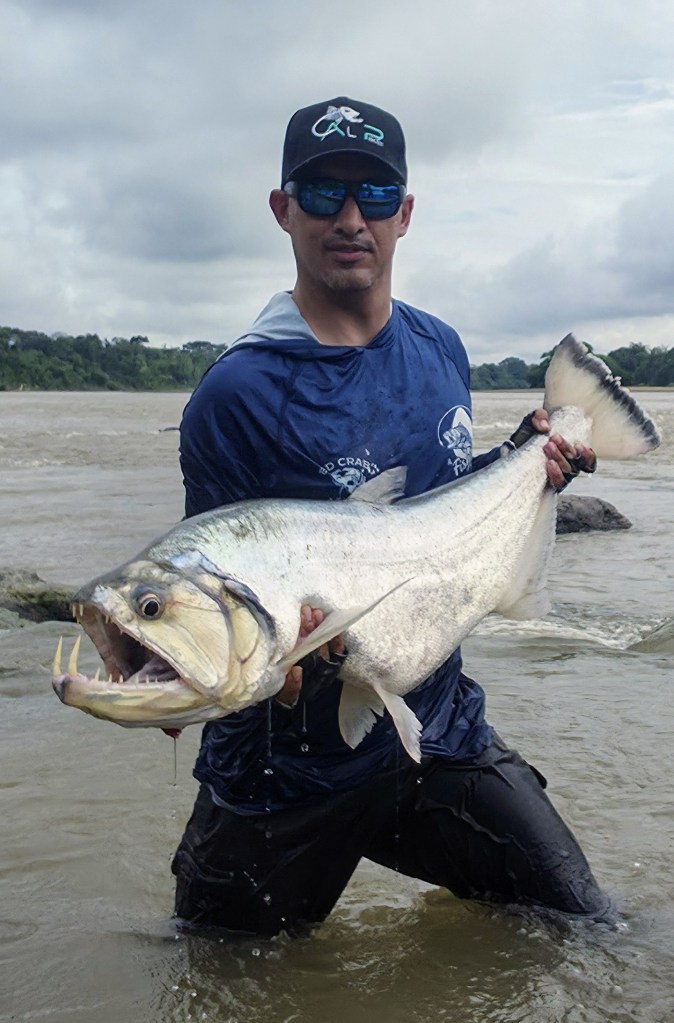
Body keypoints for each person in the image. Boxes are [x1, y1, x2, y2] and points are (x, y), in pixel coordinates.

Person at [173, 96, 608, 936]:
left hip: (434, 729)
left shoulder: (440, 348)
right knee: (222, 976)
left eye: (373, 194)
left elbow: (436, 508)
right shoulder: (236, 394)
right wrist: (254, 664)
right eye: (322, 193)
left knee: (586, 925)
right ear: (283, 209)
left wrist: (530, 457)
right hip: (283, 780)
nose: (350, 218)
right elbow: (215, 599)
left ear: (404, 213)